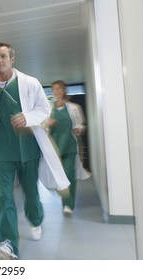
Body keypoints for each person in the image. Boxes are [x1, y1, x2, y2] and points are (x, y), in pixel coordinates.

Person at [0, 42, 70, 260]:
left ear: (12, 59)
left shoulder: (30, 82)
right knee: (4, 197)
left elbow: (44, 109)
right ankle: (7, 243)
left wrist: (27, 117)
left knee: (31, 193)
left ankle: (35, 220)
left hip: (28, 149)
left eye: (2, 57)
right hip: (0, 152)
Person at [45, 80, 90, 215]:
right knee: (57, 176)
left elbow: (81, 124)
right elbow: (41, 125)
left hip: (69, 145)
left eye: (58, 89)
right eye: (53, 90)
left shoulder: (74, 107)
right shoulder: (48, 108)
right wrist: (47, 123)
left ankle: (68, 205)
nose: (56, 92)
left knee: (69, 174)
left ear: (63, 90)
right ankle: (63, 194)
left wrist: (79, 129)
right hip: (54, 146)